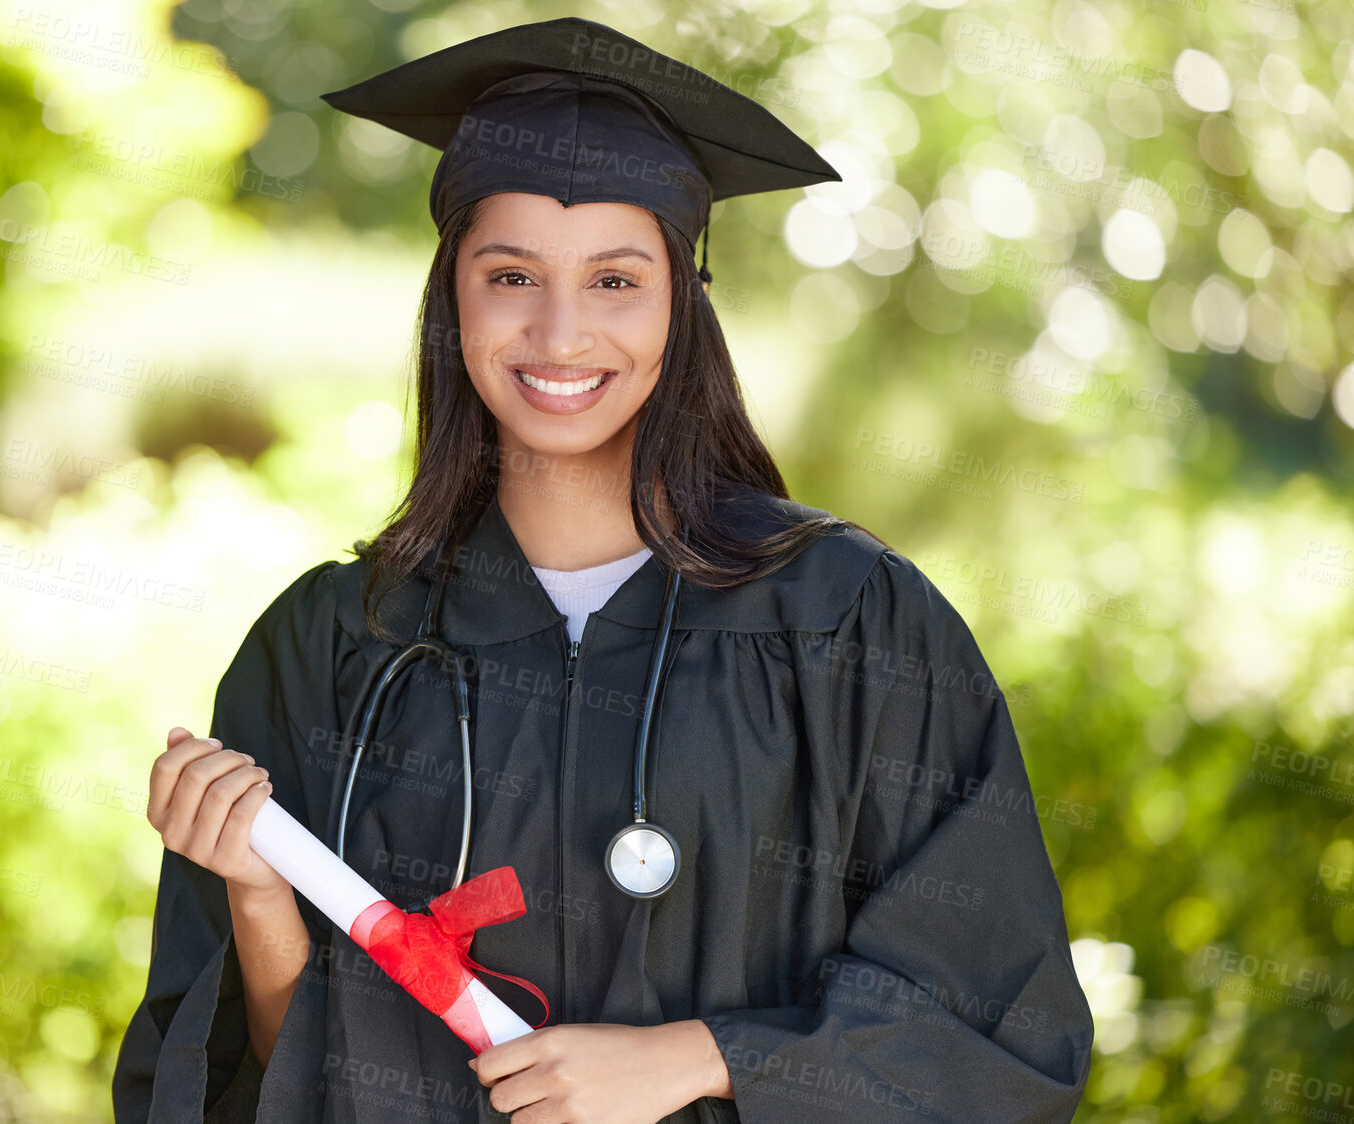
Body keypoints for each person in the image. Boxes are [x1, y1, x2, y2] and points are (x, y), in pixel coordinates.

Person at [114, 16, 1095, 1124]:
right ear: (455, 297)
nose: (561, 331)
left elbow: (1000, 1028)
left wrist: (705, 1056)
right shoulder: (336, 646)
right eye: (512, 273)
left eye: (617, 281)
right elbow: (273, 1082)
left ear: (684, 301)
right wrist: (259, 892)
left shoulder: (850, 625)